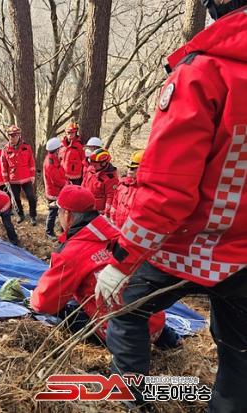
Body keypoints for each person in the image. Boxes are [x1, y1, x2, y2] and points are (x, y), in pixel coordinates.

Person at [94, 2, 247, 410]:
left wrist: (122, 260)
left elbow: (168, 191)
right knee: (240, 356)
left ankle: (131, 398)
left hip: (186, 245)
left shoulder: (204, 73)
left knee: (126, 309)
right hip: (244, 255)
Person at [30, 186, 173, 345]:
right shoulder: (116, 231)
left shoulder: (71, 253)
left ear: (67, 214)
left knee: (65, 308)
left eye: (59, 212)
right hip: (156, 322)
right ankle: (172, 340)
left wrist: (33, 299)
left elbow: (44, 303)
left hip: (122, 335)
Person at [1, 125, 37, 225]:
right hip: (13, 179)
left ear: (19, 135)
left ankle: (33, 216)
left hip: (26, 178)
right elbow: (4, 166)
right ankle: (20, 215)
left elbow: (31, 162)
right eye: (10, 135)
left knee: (31, 197)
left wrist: (32, 175)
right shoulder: (5, 149)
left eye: (14, 135)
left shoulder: (26, 147)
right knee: (16, 198)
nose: (12, 137)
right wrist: (5, 180)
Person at [110, 150, 144, 228]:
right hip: (118, 225)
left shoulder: (145, 190)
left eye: (133, 168)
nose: (129, 170)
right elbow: (115, 202)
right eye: (129, 167)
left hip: (132, 230)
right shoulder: (122, 184)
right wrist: (112, 217)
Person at [43, 137, 67, 240]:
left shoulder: (54, 159)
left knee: (61, 210)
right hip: (54, 192)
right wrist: (66, 183)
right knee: (53, 212)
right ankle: (49, 232)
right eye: (60, 148)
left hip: (57, 190)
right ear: (56, 150)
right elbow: (56, 180)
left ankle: (63, 229)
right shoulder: (50, 163)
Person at [82, 148, 118, 216]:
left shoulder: (111, 178)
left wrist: (106, 212)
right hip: (85, 204)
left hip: (97, 210)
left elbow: (111, 196)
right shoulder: (91, 169)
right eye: (92, 163)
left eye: (95, 165)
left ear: (103, 163)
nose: (93, 166)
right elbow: (84, 182)